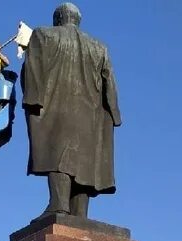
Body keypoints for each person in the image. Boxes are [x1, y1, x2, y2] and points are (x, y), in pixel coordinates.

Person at [21, 2, 121, 220]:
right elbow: (110, 85)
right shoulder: (99, 47)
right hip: (90, 113)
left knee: (56, 151)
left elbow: (32, 69)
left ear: (57, 19)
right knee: (84, 160)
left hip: (56, 105)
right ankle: (79, 214)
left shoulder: (42, 35)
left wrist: (33, 100)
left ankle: (58, 205)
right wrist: (113, 113)